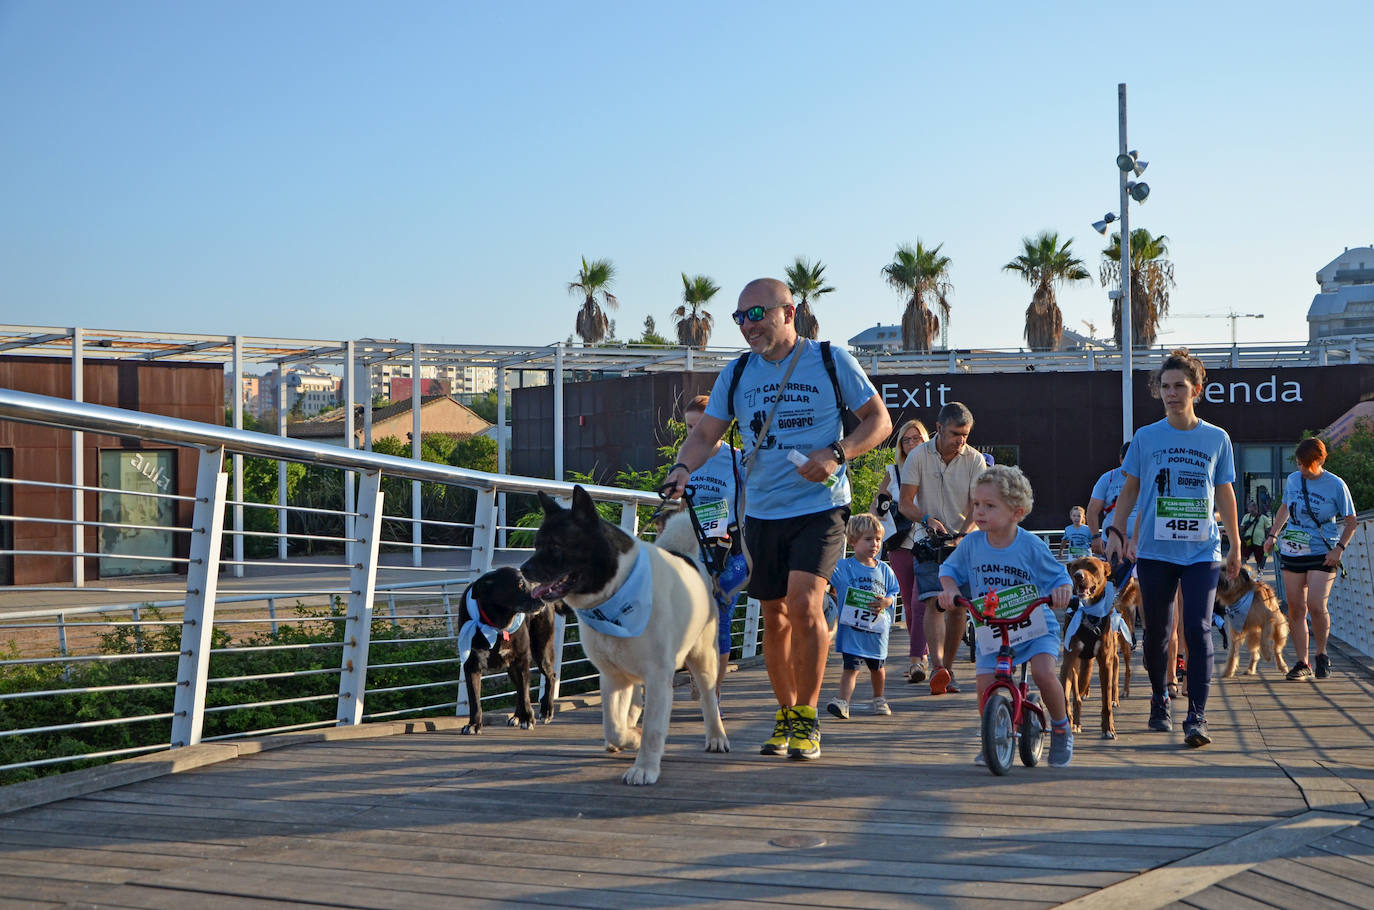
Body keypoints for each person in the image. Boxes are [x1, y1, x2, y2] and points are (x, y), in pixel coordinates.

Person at [664, 277, 891, 761]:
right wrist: (682, 469)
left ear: (789, 313)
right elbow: (705, 435)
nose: (748, 326)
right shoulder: (737, 373)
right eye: (740, 317)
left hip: (821, 506)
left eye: (757, 314)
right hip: (762, 510)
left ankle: (807, 719)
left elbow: (879, 421)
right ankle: (785, 713)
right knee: (773, 614)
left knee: (805, 602)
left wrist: (838, 452)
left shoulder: (830, 360)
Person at [1107, 348, 1241, 749]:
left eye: (1179, 386)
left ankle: (1196, 716)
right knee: (1158, 633)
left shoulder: (1216, 438)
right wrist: (1116, 530)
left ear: (1196, 389)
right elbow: (1129, 489)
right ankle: (1159, 696)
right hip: (1154, 550)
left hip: (1201, 550)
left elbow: (1225, 492)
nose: (1171, 393)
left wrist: (1234, 544)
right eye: (1165, 387)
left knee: (1198, 630)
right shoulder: (1147, 437)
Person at [937, 465, 1074, 767]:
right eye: (976, 504)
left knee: (1042, 672)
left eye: (989, 506)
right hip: (993, 628)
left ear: (1016, 512)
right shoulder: (972, 544)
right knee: (985, 682)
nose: (979, 512)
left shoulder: (1030, 545)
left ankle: (1062, 727)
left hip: (1034, 625)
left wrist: (1063, 591)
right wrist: (948, 590)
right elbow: (948, 570)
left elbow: (1060, 577)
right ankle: (993, 732)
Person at [897, 401, 985, 695]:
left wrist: (966, 534)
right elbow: (905, 503)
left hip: (963, 541)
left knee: (958, 607)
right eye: (955, 434)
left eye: (966, 435)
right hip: (928, 541)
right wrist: (926, 519)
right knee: (934, 601)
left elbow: (978, 505)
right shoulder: (919, 456)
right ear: (938, 429)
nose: (961, 441)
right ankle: (937, 667)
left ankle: (949, 668)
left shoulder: (975, 460)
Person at [1263, 438, 1357, 680]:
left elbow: (1351, 521)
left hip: (1322, 551)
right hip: (1294, 549)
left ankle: (1322, 653)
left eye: (1308, 465)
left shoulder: (1336, 485)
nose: (1303, 469)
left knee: (1316, 605)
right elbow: (1285, 507)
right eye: (1299, 464)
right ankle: (1302, 662)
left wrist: (1339, 549)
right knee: (1295, 608)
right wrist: (1272, 534)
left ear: (1321, 460)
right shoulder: (1294, 479)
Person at [680, 394, 746, 706]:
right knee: (691, 617)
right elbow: (681, 504)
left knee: (720, 615)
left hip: (729, 549)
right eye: (689, 427)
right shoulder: (685, 458)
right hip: (695, 550)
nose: (693, 434)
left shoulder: (736, 459)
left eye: (699, 426)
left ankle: (713, 693)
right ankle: (698, 672)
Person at [871, 418, 930, 684]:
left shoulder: (933, 468)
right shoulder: (893, 472)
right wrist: (875, 522)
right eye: (906, 440)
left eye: (916, 438)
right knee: (908, 602)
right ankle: (922, 657)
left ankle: (916, 658)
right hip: (900, 543)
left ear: (925, 439)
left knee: (921, 602)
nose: (911, 443)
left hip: (928, 543)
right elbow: (878, 504)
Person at [826, 514, 900, 720]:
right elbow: (824, 573)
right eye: (868, 539)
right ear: (853, 541)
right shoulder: (842, 567)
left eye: (877, 539)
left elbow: (893, 593)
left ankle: (879, 698)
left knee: (878, 667)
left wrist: (886, 601)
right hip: (852, 630)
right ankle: (843, 702)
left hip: (876, 631)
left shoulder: (885, 570)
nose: (874, 544)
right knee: (850, 668)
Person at [1087, 442, 1134, 560]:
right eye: (1128, 461)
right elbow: (1092, 511)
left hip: (1141, 542)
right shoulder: (1108, 478)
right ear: (1120, 459)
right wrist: (1095, 537)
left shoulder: (1149, 478)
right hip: (1113, 540)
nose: (1132, 465)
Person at [1238, 500, 1273, 571]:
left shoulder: (1263, 518)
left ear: (1256, 508)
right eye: (1249, 507)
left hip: (1259, 542)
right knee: (1243, 557)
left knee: (1259, 560)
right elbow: (1241, 528)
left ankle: (1259, 573)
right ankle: (1245, 571)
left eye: (1252, 507)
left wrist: (1269, 538)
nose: (1250, 509)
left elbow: (1269, 529)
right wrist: (1245, 525)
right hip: (1248, 541)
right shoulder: (1246, 517)